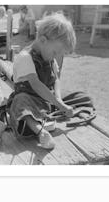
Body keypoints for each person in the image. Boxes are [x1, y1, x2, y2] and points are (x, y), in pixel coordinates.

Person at [7, 13, 76, 149]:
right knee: (20, 100)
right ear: (43, 40)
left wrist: (59, 100)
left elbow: (56, 79)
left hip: (46, 102)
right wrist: (60, 105)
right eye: (55, 52)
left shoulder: (49, 58)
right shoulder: (25, 57)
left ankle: (46, 116)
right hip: (28, 102)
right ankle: (40, 131)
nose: (55, 57)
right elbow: (36, 85)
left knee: (82, 97)